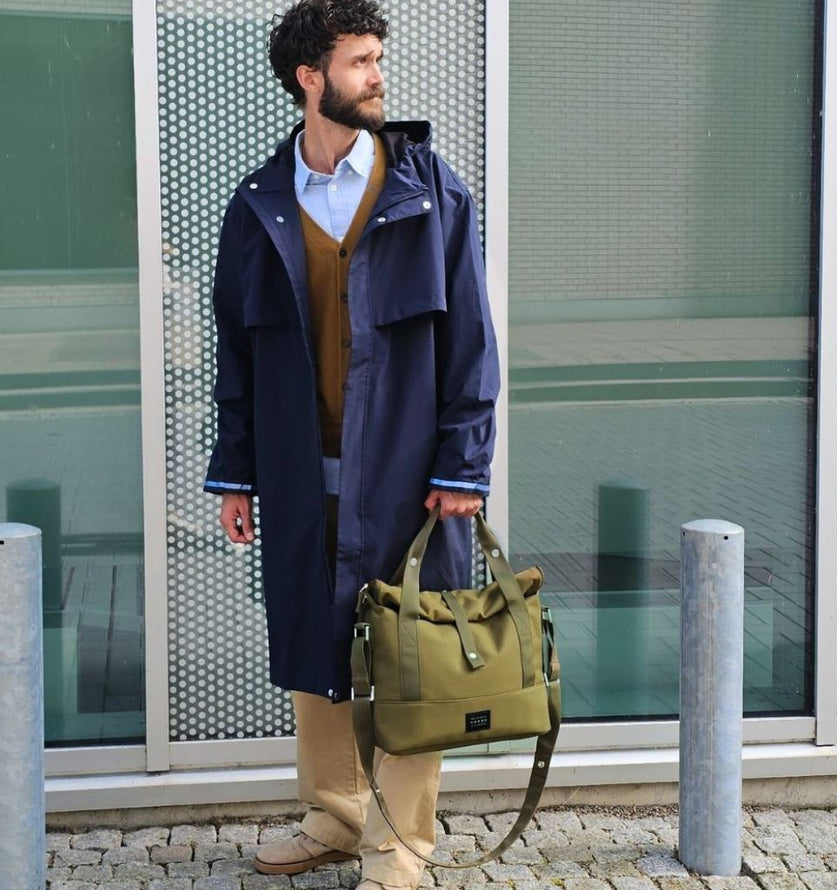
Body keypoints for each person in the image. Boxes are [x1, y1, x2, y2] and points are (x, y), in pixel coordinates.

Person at [203, 1, 499, 887]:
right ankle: (333, 817)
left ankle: (399, 846)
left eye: (378, 57)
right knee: (314, 643)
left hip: (412, 474)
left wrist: (463, 465)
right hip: (302, 473)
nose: (377, 74)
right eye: (361, 61)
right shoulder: (258, 206)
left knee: (411, 654)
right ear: (309, 78)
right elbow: (238, 355)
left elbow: (473, 344)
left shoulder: (430, 191)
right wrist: (236, 475)